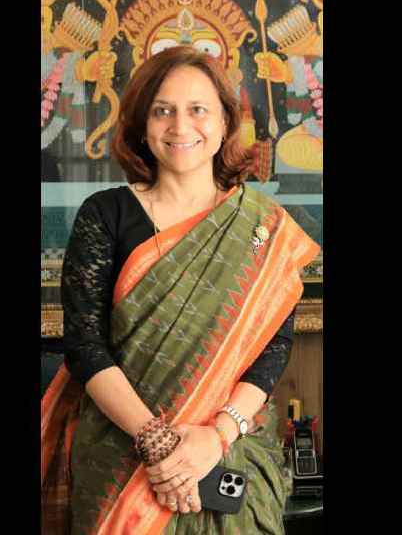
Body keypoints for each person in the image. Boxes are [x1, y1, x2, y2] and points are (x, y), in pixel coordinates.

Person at [41, 45, 320, 534]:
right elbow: (85, 348)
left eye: (197, 110)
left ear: (225, 122)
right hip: (122, 459)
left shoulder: (266, 228)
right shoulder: (105, 214)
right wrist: (163, 446)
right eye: (162, 110)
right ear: (142, 124)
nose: (179, 126)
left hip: (230, 453)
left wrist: (216, 436)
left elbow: (273, 346)